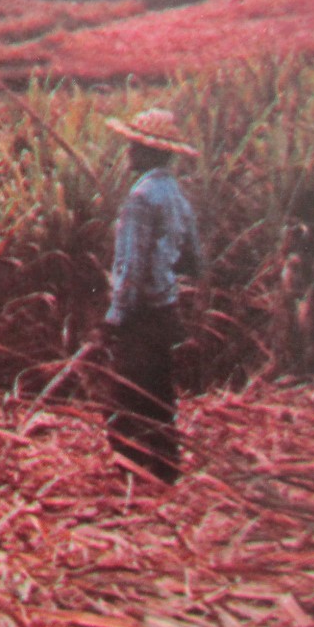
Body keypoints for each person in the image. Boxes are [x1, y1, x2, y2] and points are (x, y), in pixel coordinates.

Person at [102, 108, 204, 483]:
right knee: (159, 395)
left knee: (124, 399)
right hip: (166, 312)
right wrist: (168, 282)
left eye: (134, 145)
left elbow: (130, 268)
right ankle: (165, 468)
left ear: (149, 153)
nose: (128, 152)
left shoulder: (141, 198)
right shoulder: (176, 195)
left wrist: (115, 318)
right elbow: (193, 258)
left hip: (141, 316)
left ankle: (133, 476)